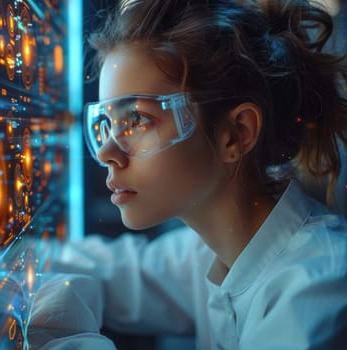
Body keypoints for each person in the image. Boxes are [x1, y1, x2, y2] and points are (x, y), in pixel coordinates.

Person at [29, 0, 347, 349]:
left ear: (235, 134)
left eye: (137, 120)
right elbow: (115, 269)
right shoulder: (213, 249)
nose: (106, 153)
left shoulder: (315, 293)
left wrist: (64, 339)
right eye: (105, 125)